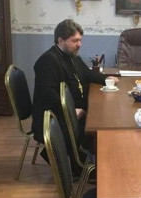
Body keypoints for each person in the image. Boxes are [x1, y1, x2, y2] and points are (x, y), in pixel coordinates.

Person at [31, 18, 116, 167]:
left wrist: (107, 79)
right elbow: (48, 95)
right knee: (96, 123)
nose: (79, 44)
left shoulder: (72, 56)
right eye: (75, 41)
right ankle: (76, 164)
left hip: (72, 109)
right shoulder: (48, 61)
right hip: (53, 116)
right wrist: (70, 111)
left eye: (80, 40)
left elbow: (88, 74)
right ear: (60, 40)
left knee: (102, 116)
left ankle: (93, 158)